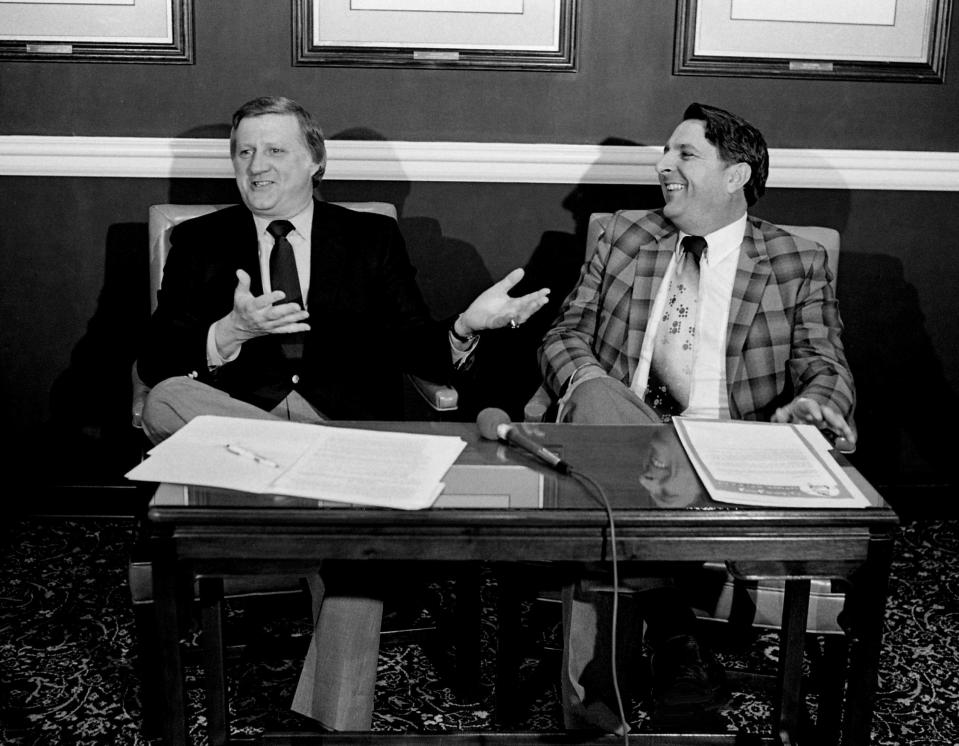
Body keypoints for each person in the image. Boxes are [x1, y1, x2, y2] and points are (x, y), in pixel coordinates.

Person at [137, 95, 550, 730]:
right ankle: (334, 472)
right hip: (246, 439)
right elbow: (157, 358)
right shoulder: (195, 240)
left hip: (343, 421)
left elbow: (416, 341)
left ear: (315, 161)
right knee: (166, 397)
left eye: (275, 151)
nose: (258, 167)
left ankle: (329, 727)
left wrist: (467, 324)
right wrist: (229, 330)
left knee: (358, 560)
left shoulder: (370, 236)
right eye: (244, 152)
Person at [539, 103, 856, 729]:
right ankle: (676, 644)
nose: (664, 165)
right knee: (605, 412)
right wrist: (588, 380)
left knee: (615, 517)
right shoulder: (627, 235)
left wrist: (817, 404)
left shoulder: (796, 259)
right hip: (617, 432)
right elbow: (564, 333)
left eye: (685, 154)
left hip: (723, 445)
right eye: (666, 152)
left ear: (736, 176)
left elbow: (826, 363)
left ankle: (607, 704)